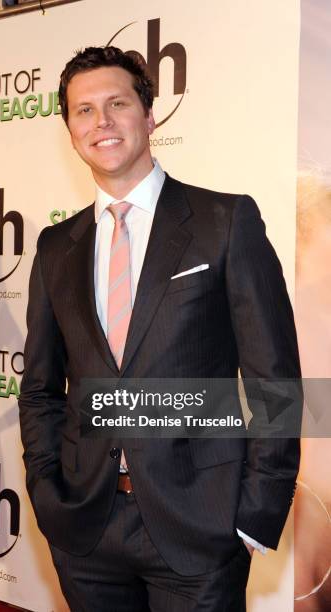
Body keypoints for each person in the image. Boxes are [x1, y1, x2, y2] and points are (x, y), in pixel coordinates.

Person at [19, 46, 301, 612]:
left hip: (201, 526)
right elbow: (40, 390)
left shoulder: (225, 222)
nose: (101, 122)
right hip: (85, 528)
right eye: (83, 110)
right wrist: (48, 490)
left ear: (148, 118)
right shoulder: (56, 247)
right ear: (70, 130)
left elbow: (276, 383)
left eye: (117, 104)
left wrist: (255, 513)